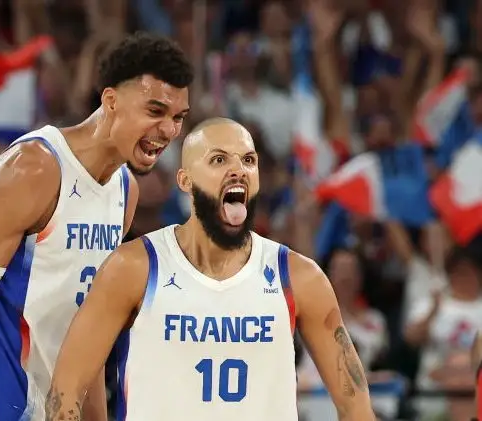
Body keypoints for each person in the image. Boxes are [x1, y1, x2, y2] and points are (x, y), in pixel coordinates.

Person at [0, 32, 193, 421]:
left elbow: (90, 335)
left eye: (178, 118)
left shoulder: (125, 191)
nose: (169, 130)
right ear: (111, 101)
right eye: (155, 111)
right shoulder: (33, 168)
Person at [46, 118, 375, 421]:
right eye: (219, 160)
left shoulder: (299, 277)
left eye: (248, 160)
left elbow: (355, 405)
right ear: (185, 180)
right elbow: (66, 390)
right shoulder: (134, 267)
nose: (238, 170)